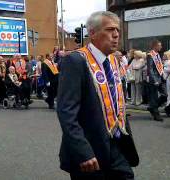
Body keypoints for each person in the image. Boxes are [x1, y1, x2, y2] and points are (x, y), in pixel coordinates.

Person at [57, 11, 139, 180]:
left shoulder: (113, 61)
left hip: (117, 146)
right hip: (90, 150)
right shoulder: (75, 61)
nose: (116, 35)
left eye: (117, 30)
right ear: (92, 33)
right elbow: (67, 111)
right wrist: (82, 151)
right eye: (109, 30)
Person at [146, 40, 167, 121]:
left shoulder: (158, 55)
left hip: (160, 78)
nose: (161, 47)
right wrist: (154, 80)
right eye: (159, 45)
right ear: (155, 46)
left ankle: (152, 107)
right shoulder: (150, 55)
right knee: (154, 97)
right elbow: (150, 69)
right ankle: (156, 114)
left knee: (165, 95)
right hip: (154, 80)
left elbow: (159, 66)